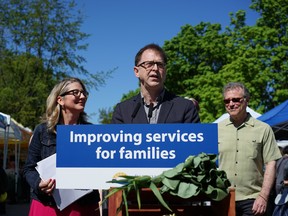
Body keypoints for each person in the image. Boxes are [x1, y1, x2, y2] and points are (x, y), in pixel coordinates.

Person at [23, 77, 100, 216]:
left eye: (84, 93)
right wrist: (39, 184)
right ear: (60, 100)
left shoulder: (93, 133)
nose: (82, 96)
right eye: (76, 92)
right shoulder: (42, 131)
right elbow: (28, 169)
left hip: (83, 206)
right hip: (47, 205)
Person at [218, 82, 282, 216]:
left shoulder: (263, 129)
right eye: (227, 100)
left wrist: (263, 196)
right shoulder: (216, 129)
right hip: (224, 199)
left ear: (247, 101)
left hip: (253, 199)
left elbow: (271, 163)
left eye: (236, 99)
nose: (231, 104)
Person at [111, 43, 200, 124]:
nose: (155, 69)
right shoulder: (122, 110)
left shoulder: (185, 107)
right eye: (149, 64)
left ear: (165, 71)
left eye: (160, 64)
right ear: (136, 71)